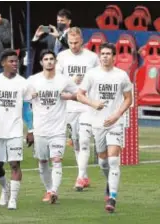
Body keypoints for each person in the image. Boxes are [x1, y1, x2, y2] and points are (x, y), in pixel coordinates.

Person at [77, 43, 133, 213]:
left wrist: (117, 115)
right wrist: (93, 103)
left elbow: (128, 99)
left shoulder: (122, 76)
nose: (105, 56)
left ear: (114, 57)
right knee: (103, 161)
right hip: (97, 124)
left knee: (114, 160)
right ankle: (109, 184)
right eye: (102, 54)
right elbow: (79, 95)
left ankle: (112, 198)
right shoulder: (92, 74)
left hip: (115, 123)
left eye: (108, 54)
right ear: (99, 56)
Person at [0, 49, 34, 210]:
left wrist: (31, 129)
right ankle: (4, 188)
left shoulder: (23, 83)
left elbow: (27, 109)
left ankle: (13, 199)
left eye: (16, 61)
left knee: (14, 164)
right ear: (3, 63)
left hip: (15, 130)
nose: (15, 64)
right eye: (11, 61)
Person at [27, 49, 78, 203]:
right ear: (41, 62)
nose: (49, 61)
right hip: (40, 129)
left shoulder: (64, 80)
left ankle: (54, 191)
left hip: (58, 129)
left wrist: (68, 96)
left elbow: (78, 94)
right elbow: (21, 98)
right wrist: (30, 96)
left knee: (56, 160)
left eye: (51, 59)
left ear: (56, 62)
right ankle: (48, 189)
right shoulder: (32, 80)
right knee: (42, 162)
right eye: (46, 59)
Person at [55, 27, 100, 190]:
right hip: (70, 105)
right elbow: (56, 80)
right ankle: (84, 176)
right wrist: (70, 80)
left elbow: (99, 77)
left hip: (86, 104)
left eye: (76, 42)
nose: (73, 46)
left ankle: (80, 177)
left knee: (84, 140)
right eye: (70, 43)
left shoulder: (92, 57)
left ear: (82, 41)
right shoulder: (62, 57)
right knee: (75, 142)